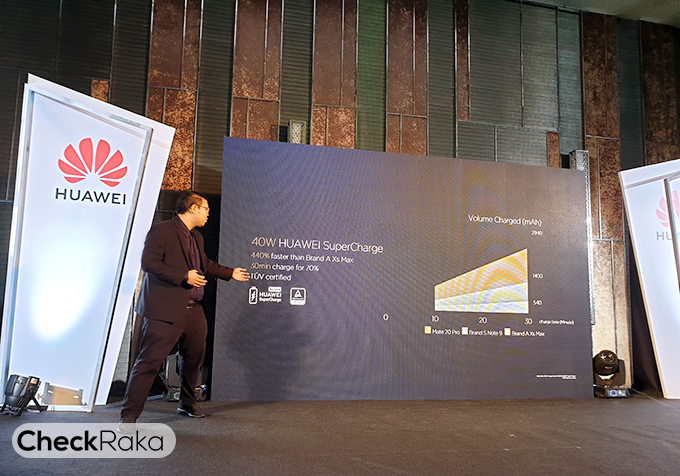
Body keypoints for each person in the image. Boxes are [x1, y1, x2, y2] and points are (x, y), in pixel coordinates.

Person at [119, 191, 249, 430]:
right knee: (149, 362)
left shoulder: (196, 236)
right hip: (164, 310)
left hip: (194, 310)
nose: (208, 213)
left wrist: (230, 272)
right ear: (192, 208)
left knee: (194, 359)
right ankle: (129, 416)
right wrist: (183, 276)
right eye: (206, 208)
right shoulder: (161, 231)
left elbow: (204, 265)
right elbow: (149, 263)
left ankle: (187, 403)